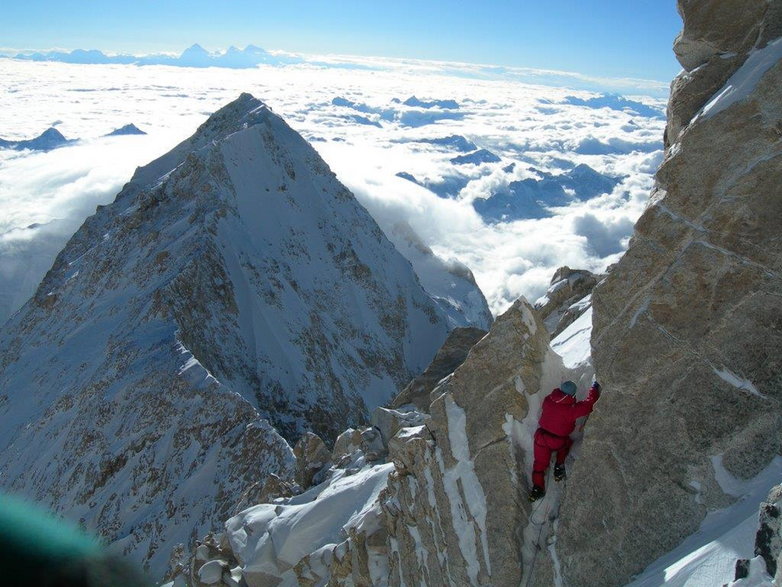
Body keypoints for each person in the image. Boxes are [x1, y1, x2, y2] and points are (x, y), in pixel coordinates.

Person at [529, 380, 601, 502]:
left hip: (541, 437)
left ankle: (537, 488)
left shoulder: (548, 400)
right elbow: (588, 405)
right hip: (558, 440)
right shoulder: (571, 410)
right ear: (572, 395)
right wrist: (594, 389)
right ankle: (559, 466)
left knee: (539, 465)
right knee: (566, 445)